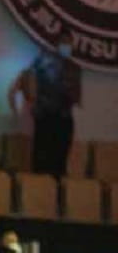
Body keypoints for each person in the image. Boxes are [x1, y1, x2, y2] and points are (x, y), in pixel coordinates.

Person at [12, 45, 80, 177]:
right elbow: (18, 93)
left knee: (58, 162)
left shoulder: (69, 74)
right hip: (44, 120)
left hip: (62, 120)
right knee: (41, 161)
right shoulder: (35, 74)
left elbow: (74, 98)